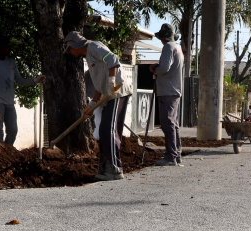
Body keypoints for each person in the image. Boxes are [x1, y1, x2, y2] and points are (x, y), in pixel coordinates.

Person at [63, 31, 132, 181]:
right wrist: (92, 105)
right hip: (108, 95)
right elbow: (99, 88)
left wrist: (111, 82)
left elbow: (112, 59)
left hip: (117, 93)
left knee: (109, 130)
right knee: (103, 131)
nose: (70, 52)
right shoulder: (89, 56)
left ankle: (114, 170)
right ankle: (105, 168)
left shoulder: (94, 46)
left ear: (74, 45)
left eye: (69, 49)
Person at [0, 36, 45, 146]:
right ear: (0, 47)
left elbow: (19, 80)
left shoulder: (11, 62)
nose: (9, 49)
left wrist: (35, 80)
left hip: (9, 102)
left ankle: (7, 151)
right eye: (6, 46)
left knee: (13, 130)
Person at [149, 23, 184, 167]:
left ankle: (171, 157)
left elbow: (164, 67)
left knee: (167, 123)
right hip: (174, 90)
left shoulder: (168, 47)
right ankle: (177, 153)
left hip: (167, 91)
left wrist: (154, 69)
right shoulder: (178, 48)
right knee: (173, 124)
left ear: (163, 38)